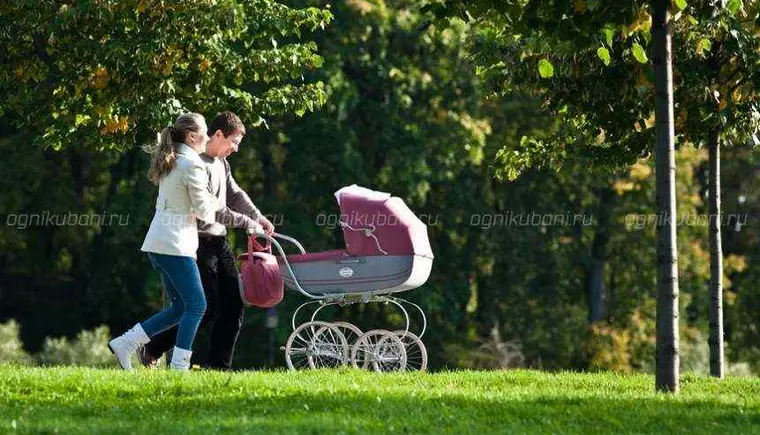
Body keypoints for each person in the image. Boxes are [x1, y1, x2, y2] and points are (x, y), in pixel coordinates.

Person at [138, 111, 274, 370]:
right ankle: (153, 347)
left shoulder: (222, 162)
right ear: (219, 134)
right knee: (205, 306)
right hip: (196, 243)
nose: (235, 149)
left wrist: (258, 217)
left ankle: (219, 367)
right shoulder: (194, 162)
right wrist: (248, 224)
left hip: (219, 242)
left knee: (234, 305)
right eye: (234, 142)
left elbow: (234, 194)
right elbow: (208, 212)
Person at [109, 112, 223, 371]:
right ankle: (180, 366)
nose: (207, 136)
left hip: (160, 244)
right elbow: (205, 211)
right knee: (197, 305)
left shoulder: (175, 160)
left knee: (180, 308)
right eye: (204, 132)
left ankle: (125, 343)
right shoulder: (191, 164)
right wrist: (216, 201)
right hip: (175, 245)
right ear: (193, 136)